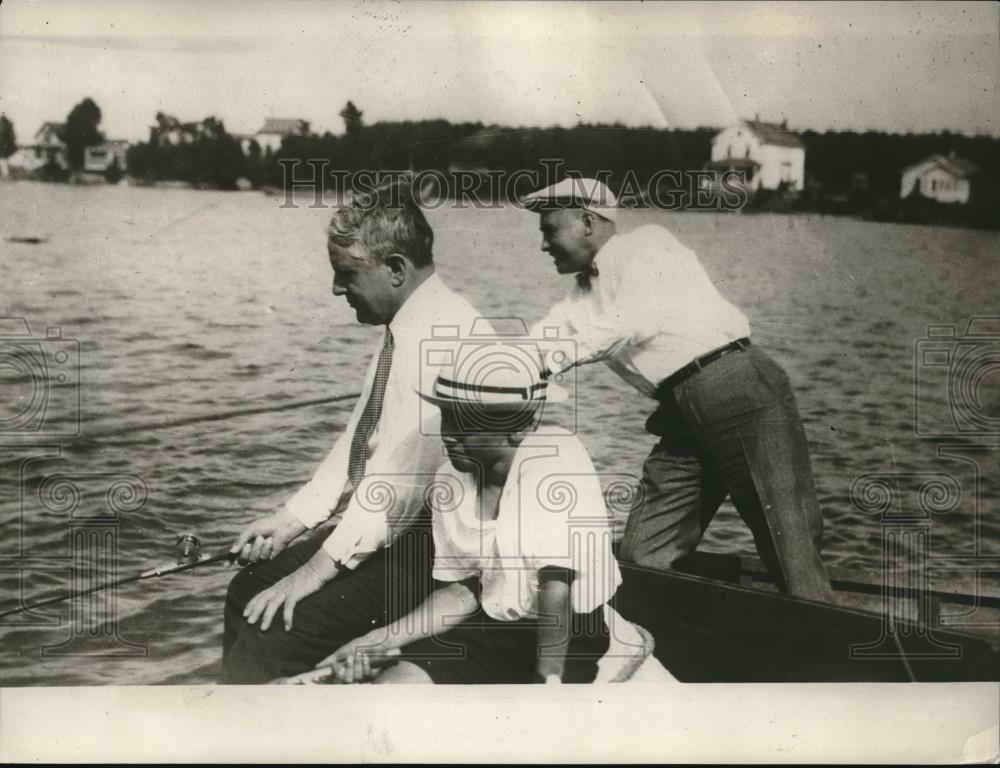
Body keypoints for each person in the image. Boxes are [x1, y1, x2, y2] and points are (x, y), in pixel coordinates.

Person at [222, 182, 491, 683]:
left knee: (274, 627)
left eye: (346, 274)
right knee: (249, 588)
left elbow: (395, 493)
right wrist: (288, 521)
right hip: (405, 532)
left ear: (395, 269)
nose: (335, 289)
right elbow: (358, 443)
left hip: (442, 552)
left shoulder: (438, 338)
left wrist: (311, 573)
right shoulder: (410, 320)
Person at [520, 177, 834, 602]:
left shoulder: (647, 245)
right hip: (682, 411)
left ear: (588, 222)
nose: (543, 245)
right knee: (644, 553)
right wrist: (495, 369)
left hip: (737, 388)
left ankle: (821, 648)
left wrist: (548, 361)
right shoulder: (580, 298)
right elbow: (538, 342)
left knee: (788, 546)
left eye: (550, 230)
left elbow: (630, 322)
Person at [315, 347, 622, 684]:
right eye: (447, 416)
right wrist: (375, 640)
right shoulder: (450, 477)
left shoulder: (557, 459)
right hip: (494, 624)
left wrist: (548, 681)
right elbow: (463, 590)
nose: (449, 433)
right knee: (394, 686)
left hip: (568, 634)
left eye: (467, 422)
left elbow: (556, 587)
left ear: (521, 427)